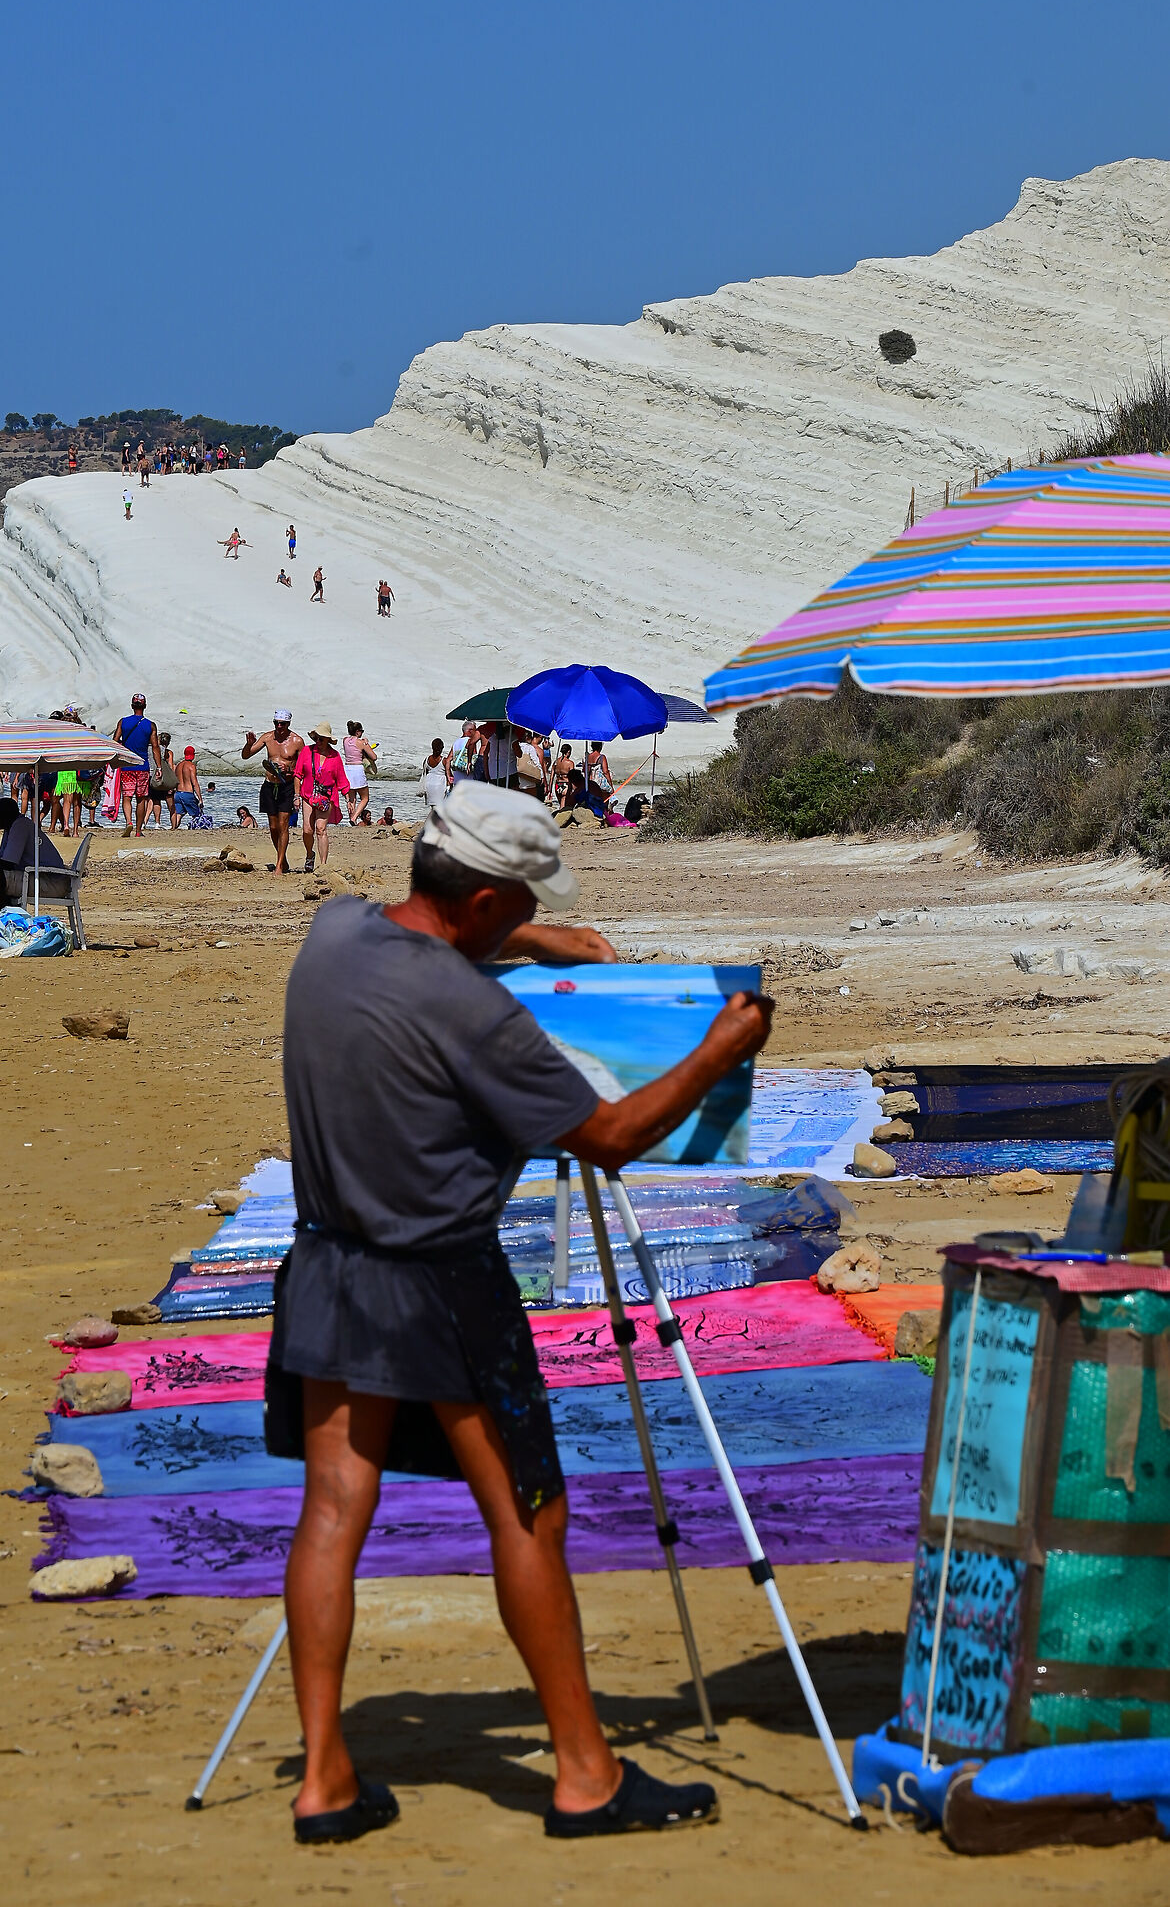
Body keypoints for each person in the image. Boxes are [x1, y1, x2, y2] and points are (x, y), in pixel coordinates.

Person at [265, 784, 774, 1843]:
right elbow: (608, 1133)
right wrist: (718, 1052)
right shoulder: (473, 1014)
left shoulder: (332, 935)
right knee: (529, 1515)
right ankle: (585, 1775)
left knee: (330, 1512)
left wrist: (531, 930)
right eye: (517, 902)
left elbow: (421, 930)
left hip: (326, 1262)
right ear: (488, 899)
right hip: (443, 1283)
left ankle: (323, 1780)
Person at [0, 794, 62, 940]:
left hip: (51, 881)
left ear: (5, 815)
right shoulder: (11, 827)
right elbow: (0, 859)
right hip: (38, 876)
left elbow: (7, 862)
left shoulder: (20, 826)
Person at [241, 710, 304, 874]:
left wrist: (289, 768)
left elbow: (303, 767)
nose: (279, 726)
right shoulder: (268, 737)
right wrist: (249, 744)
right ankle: (282, 859)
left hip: (287, 785)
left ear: (288, 724)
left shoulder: (297, 741)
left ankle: (279, 865)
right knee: (273, 826)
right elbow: (246, 756)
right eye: (276, 723)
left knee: (283, 825)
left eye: (282, 723)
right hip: (269, 784)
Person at [296, 721, 349, 874]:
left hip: (326, 797)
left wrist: (348, 799)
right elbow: (297, 775)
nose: (318, 741)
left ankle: (323, 865)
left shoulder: (335, 756)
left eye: (321, 739)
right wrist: (296, 795)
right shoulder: (307, 751)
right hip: (307, 795)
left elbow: (342, 780)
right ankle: (309, 854)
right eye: (317, 738)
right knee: (307, 830)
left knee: (321, 829)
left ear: (328, 740)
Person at [112, 693, 160, 837]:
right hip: (143, 766)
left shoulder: (123, 722)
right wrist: (159, 767)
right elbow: (155, 746)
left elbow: (115, 741)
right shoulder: (150, 725)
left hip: (127, 765)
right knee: (141, 798)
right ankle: (138, 831)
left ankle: (128, 822)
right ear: (144, 706)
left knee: (127, 797)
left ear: (132, 706)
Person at [341, 722, 376, 825]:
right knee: (365, 798)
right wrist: (366, 743)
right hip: (357, 770)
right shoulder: (361, 743)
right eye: (362, 731)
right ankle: (354, 818)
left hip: (347, 769)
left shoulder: (345, 740)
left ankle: (352, 819)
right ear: (357, 732)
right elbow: (374, 757)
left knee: (352, 799)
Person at [171, 743, 203, 827]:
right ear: (193, 755)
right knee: (196, 814)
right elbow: (194, 783)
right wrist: (200, 798)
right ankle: (195, 829)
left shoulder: (178, 765)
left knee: (178, 814)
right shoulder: (191, 766)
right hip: (187, 793)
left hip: (177, 793)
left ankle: (174, 828)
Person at [420, 737, 451, 812]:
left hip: (429, 786)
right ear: (442, 748)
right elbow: (449, 775)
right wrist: (450, 786)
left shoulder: (427, 759)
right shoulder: (444, 761)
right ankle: (431, 822)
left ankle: (432, 822)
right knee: (439, 809)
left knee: (434, 808)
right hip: (440, 786)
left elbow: (425, 773)